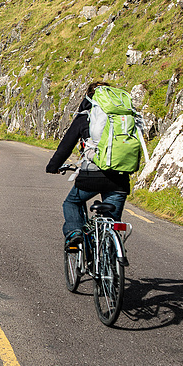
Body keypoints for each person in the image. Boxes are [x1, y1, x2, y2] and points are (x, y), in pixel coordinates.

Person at [45, 81, 131, 249]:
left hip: (91, 176)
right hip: (119, 178)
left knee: (71, 203)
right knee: (111, 223)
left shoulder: (86, 117)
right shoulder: (122, 118)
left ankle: (75, 232)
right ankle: (111, 263)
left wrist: (53, 166)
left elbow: (66, 146)